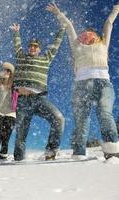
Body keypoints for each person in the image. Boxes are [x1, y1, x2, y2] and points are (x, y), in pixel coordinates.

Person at [47, 2, 119, 159]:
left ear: (96, 36)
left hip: (104, 84)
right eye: (83, 33)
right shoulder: (76, 46)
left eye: (90, 33)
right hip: (82, 85)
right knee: (81, 120)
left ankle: (113, 150)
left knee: (104, 112)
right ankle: (79, 153)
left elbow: (108, 23)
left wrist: (116, 9)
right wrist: (59, 14)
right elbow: (68, 26)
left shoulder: (103, 44)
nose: (86, 35)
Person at [10, 20, 65, 161]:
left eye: (36, 46)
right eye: (31, 46)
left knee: (58, 118)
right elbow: (17, 46)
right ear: (28, 48)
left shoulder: (45, 59)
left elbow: (55, 46)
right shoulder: (21, 57)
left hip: (40, 98)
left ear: (39, 49)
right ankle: (18, 160)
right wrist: (16, 32)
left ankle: (50, 153)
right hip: (22, 101)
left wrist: (62, 30)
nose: (33, 48)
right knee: (21, 133)